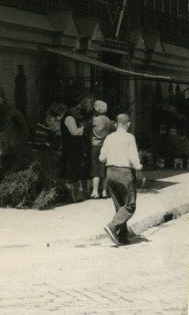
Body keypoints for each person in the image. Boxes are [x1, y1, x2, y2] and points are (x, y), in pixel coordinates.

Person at [99, 113, 144, 245]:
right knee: (130, 205)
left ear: (116, 124)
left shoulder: (109, 137)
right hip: (124, 173)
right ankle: (112, 226)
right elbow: (133, 158)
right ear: (127, 124)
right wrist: (139, 168)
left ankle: (122, 236)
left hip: (110, 173)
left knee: (120, 206)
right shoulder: (129, 137)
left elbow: (102, 158)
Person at [61, 98, 93, 202]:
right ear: (71, 108)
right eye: (76, 109)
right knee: (70, 171)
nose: (78, 111)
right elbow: (74, 132)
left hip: (72, 148)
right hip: (70, 148)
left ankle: (73, 195)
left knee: (73, 170)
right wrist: (86, 127)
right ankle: (71, 195)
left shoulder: (71, 117)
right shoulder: (69, 118)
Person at [89, 100, 113, 199]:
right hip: (106, 146)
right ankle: (104, 191)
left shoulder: (94, 120)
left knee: (96, 168)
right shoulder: (108, 120)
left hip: (95, 145)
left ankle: (95, 192)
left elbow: (86, 129)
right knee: (105, 168)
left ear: (96, 109)